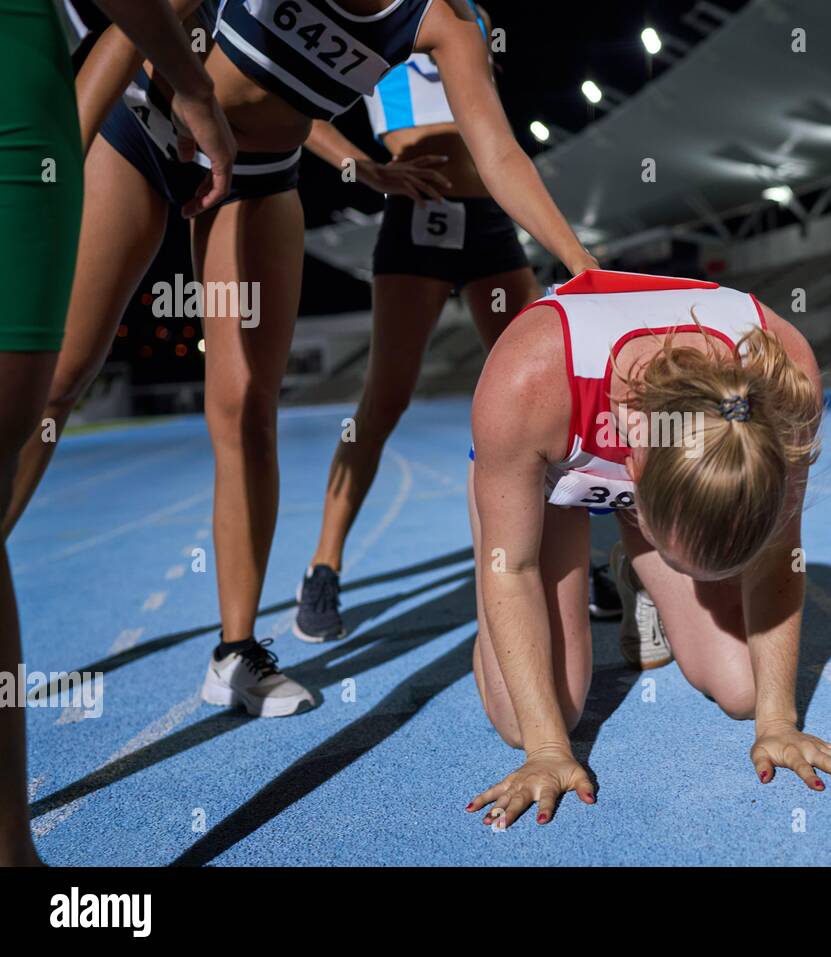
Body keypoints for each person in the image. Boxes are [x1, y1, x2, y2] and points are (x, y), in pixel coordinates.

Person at [3, 0, 597, 720]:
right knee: (59, 377)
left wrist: (580, 265)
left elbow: (500, 152)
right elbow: (144, 18)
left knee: (249, 408)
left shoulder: (448, 19)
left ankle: (236, 654)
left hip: (259, 175)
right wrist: (55, 162)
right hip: (146, 125)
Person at [464, 269, 831, 828]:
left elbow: (779, 554)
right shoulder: (531, 378)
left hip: (653, 478)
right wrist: (547, 752)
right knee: (531, 718)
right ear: (632, 469)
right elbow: (512, 566)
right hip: (545, 478)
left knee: (745, 690)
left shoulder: (784, 384)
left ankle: (638, 582)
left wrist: (778, 722)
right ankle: (552, 561)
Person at [1, 0, 235, 867]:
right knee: (50, 384)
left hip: (103, 100)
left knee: (58, 387)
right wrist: (197, 93)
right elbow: (142, 16)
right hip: (86, 98)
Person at [293, 4, 544, 644]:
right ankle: (323, 565)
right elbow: (298, 104)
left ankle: (574, 562)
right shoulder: (371, 9)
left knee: (548, 396)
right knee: (384, 399)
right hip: (416, 221)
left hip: (489, 225)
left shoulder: (477, 15)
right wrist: (365, 168)